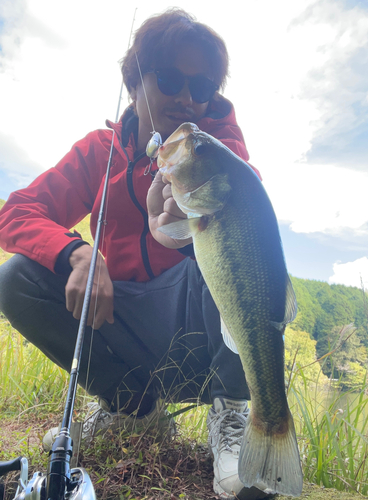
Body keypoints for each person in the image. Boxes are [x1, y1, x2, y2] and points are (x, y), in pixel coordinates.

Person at [0, 9, 265, 500]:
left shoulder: (217, 149)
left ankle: (234, 413)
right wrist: (76, 252)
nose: (187, 97)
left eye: (202, 87)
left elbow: (242, 201)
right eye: (169, 78)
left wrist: (179, 222)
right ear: (133, 83)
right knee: (14, 278)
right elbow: (16, 212)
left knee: (233, 239)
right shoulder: (97, 153)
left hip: (204, 340)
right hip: (123, 331)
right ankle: (135, 410)